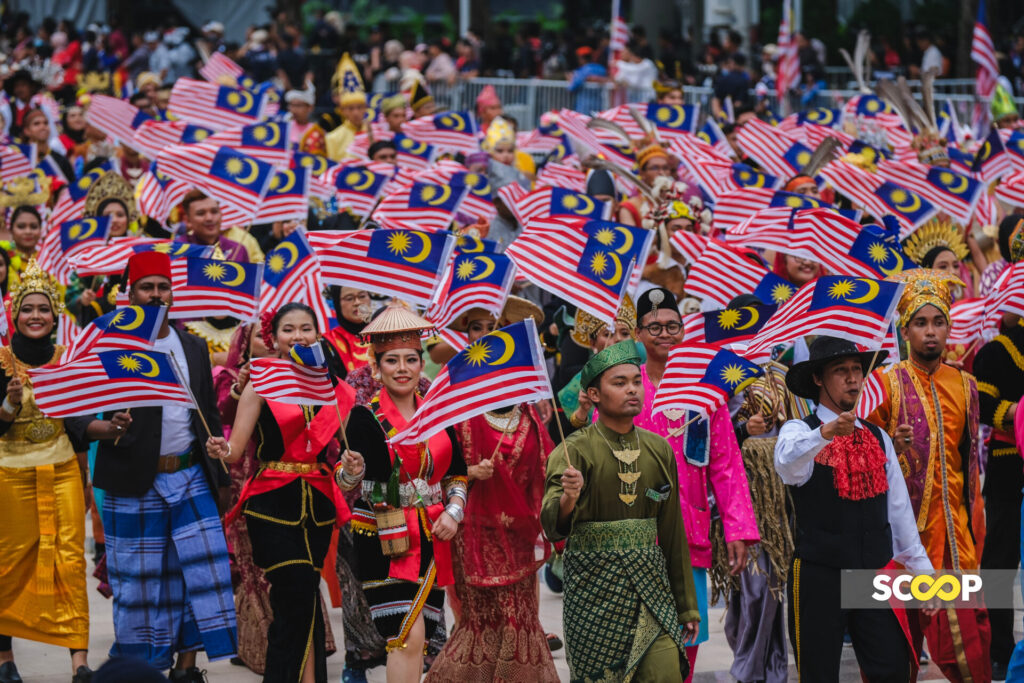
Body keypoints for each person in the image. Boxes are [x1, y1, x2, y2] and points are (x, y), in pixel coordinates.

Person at [80, 251, 237, 680]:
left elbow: (208, 412)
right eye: (146, 288)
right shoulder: (107, 343)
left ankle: (187, 669)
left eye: (161, 287)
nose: (155, 295)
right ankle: (141, 670)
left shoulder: (193, 345)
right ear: (130, 295)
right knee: (138, 587)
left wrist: (220, 476)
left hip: (191, 477)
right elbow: (75, 412)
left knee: (198, 577)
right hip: (131, 482)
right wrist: (107, 426)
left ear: (172, 293)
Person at [207, 303, 356, 683]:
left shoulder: (332, 387)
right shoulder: (262, 380)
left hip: (318, 507)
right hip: (271, 504)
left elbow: (344, 455)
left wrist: (352, 467)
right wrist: (220, 450)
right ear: (274, 338)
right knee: (296, 589)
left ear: (318, 335)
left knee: (302, 599)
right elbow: (236, 448)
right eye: (288, 329)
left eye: (306, 329)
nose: (298, 337)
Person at [775, 336, 933, 681]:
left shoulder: (877, 437)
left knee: (891, 669)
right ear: (818, 378)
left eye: (857, 370)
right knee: (818, 674)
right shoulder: (800, 431)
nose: (852, 379)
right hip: (820, 576)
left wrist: (923, 572)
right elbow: (787, 464)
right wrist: (826, 432)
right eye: (841, 371)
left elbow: (899, 513)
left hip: (873, 576)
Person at [541, 340, 700, 681]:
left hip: (652, 592)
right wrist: (570, 497)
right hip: (594, 598)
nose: (632, 390)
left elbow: (672, 531)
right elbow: (551, 527)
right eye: (620, 383)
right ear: (594, 395)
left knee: (666, 671)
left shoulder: (659, 449)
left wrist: (686, 603)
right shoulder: (573, 452)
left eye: (636, 381)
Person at [867, 269, 991, 683]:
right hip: (900, 540)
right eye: (920, 323)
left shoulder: (966, 384)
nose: (931, 332)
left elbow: (969, 465)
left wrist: (974, 530)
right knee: (894, 650)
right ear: (905, 330)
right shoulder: (885, 383)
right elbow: (865, 459)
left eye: (938, 322)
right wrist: (891, 445)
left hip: (953, 538)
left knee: (968, 650)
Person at [424, 309, 559, 682]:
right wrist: (468, 472)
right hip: (474, 534)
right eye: (477, 329)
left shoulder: (530, 410)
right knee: (487, 623)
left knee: (521, 621)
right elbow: (426, 471)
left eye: (496, 330)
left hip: (519, 538)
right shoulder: (454, 407)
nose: (487, 337)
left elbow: (546, 472)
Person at [631, 287, 760, 678]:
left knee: (687, 640)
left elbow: (725, 463)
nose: (664, 334)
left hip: (690, 537)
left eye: (673, 326)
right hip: (636, 536)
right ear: (638, 334)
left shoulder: (705, 393)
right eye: (654, 327)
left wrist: (738, 529)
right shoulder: (626, 387)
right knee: (639, 641)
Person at [343, 304, 467, 683]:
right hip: (384, 537)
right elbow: (346, 479)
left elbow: (456, 474)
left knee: (421, 638)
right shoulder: (364, 418)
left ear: (420, 364)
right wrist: (352, 472)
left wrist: (454, 511)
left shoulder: (437, 413)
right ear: (377, 367)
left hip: (432, 534)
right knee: (404, 636)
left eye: (411, 359)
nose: (402, 368)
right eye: (391, 360)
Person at [0, 260, 94, 683]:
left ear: (55, 316)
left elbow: (78, 426)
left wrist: (111, 428)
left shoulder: (66, 361)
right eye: (27, 309)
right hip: (9, 473)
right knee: (8, 562)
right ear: (14, 315)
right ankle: (5, 660)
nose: (35, 316)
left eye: (43, 309)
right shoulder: (1, 361)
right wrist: (9, 402)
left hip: (60, 471)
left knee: (70, 560)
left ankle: (79, 663)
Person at [973, 222, 1024, 680]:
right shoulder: (995, 351)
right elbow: (985, 404)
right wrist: (1020, 415)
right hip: (1010, 469)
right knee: (1000, 563)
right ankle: (1001, 646)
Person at [176, 190, 252, 262]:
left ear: (221, 215)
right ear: (187, 220)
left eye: (214, 211)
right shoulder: (177, 249)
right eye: (201, 213)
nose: (209, 218)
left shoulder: (238, 250)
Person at [325, 54, 368, 161]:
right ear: (342, 110)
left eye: (359, 107)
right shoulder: (332, 138)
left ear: (365, 108)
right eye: (350, 108)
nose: (356, 112)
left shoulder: (374, 133)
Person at [324, 286, 373, 375]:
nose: (357, 302)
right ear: (337, 303)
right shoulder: (327, 343)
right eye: (349, 298)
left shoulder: (386, 334)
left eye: (362, 296)